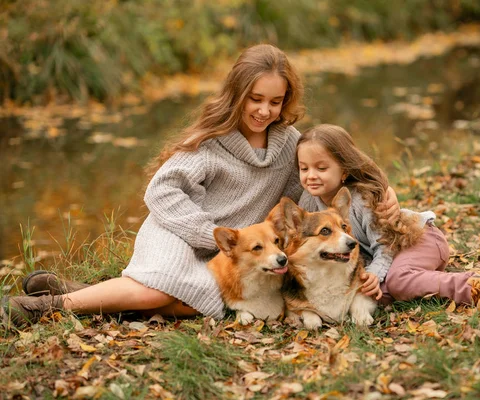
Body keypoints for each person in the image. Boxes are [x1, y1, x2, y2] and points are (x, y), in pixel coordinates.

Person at [1, 45, 399, 329]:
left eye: (275, 102)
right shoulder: (213, 141)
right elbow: (161, 192)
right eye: (255, 99)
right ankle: (47, 306)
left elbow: (329, 171)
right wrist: (207, 234)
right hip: (180, 231)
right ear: (237, 95)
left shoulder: (291, 144)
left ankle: (89, 292)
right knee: (160, 293)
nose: (264, 110)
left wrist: (381, 188)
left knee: (205, 303)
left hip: (238, 249)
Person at [296, 124, 480, 310]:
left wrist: (374, 273)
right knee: (373, 293)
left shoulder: (362, 200)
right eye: (304, 169)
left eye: (321, 168)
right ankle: (446, 277)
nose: (311, 176)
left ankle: (476, 286)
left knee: (398, 280)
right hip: (389, 258)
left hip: (416, 239)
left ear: (344, 170)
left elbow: (385, 246)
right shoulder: (308, 203)